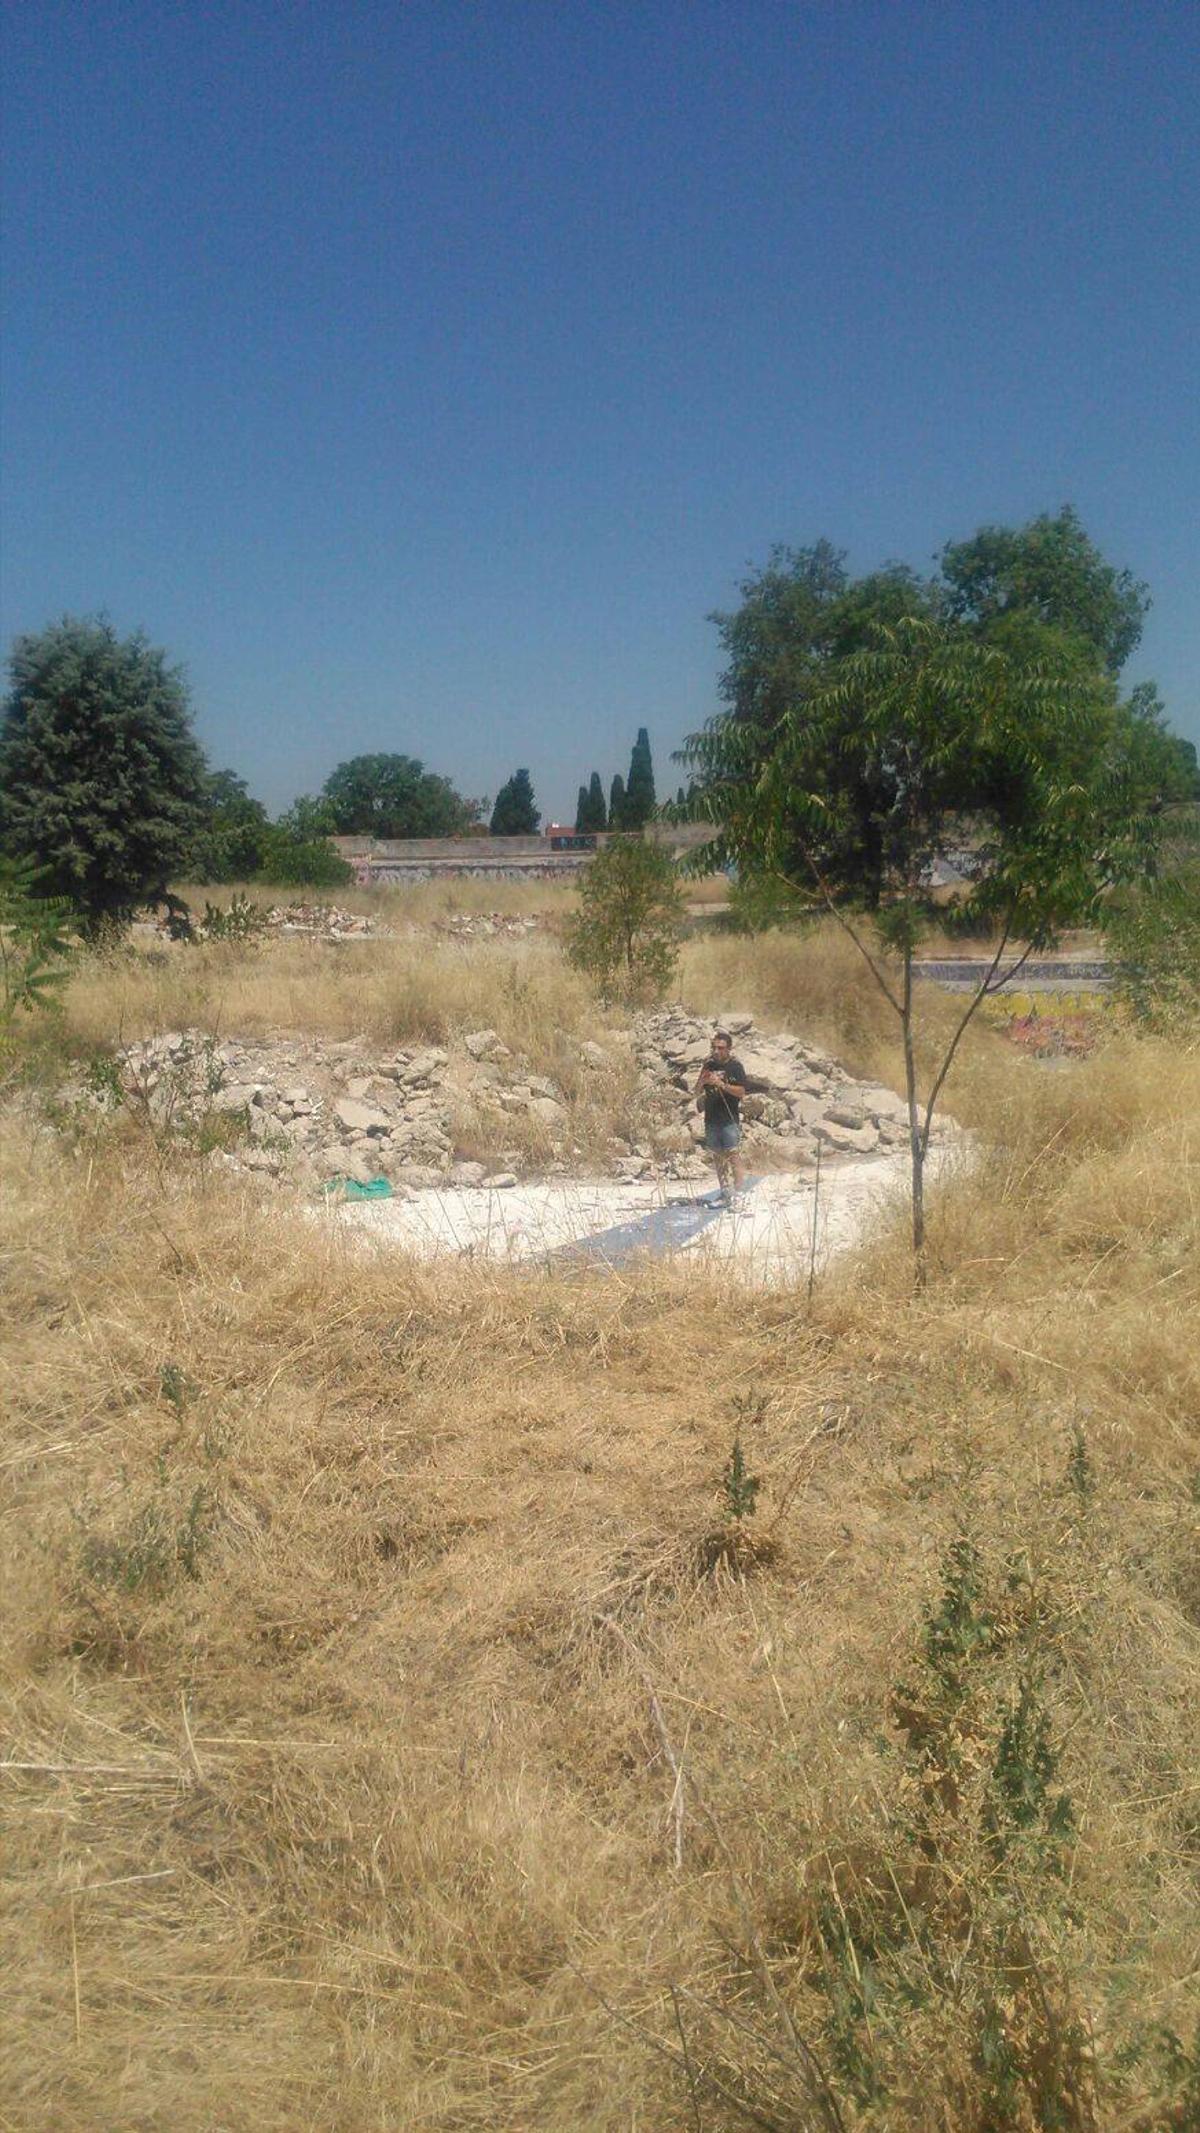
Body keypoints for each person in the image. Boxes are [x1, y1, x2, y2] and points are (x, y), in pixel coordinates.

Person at [694, 1029, 747, 1204]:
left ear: (729, 1049)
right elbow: (696, 1091)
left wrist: (721, 1084)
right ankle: (725, 1191)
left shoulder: (736, 1067)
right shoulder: (708, 1065)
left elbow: (741, 1092)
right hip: (711, 1118)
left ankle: (739, 1191)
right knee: (717, 1156)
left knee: (733, 1154)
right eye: (714, 1047)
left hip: (728, 1118)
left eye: (721, 1048)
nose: (717, 1051)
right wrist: (703, 1081)